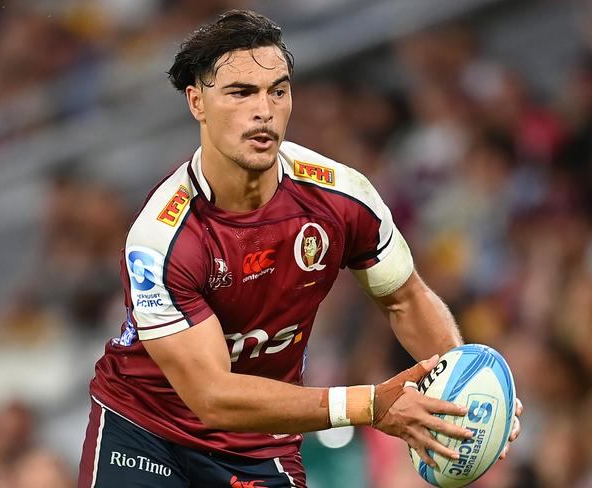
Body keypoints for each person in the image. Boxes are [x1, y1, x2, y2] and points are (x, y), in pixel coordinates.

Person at [78, 10, 521, 487]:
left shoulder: (342, 197)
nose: (264, 110)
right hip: (146, 432)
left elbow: (406, 298)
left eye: (278, 90)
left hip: (258, 443)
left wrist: (463, 393)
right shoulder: (163, 237)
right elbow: (211, 395)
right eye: (241, 92)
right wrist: (369, 405)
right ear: (197, 102)